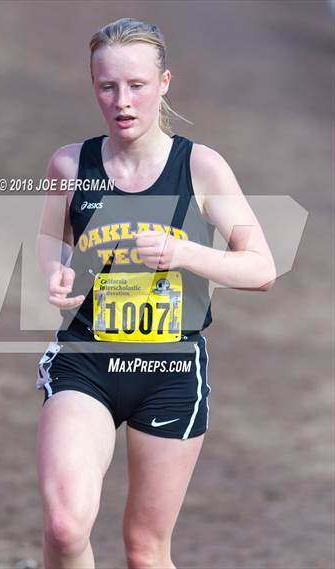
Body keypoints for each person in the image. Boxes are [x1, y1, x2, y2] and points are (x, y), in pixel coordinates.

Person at [35, 17, 276, 569]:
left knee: (145, 550)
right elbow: (52, 235)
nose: (122, 101)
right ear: (93, 85)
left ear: (164, 82)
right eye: (107, 86)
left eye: (137, 85)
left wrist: (184, 253)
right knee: (64, 525)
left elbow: (262, 269)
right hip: (86, 360)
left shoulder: (200, 166)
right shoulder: (71, 164)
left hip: (168, 371)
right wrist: (57, 271)